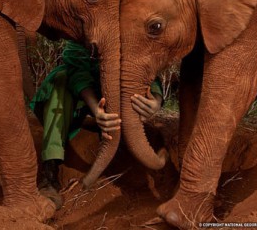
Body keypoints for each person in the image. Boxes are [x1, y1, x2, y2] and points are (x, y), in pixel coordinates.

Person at [29, 40, 163, 208]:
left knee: (129, 79)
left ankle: (125, 158)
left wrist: (156, 101)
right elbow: (76, 72)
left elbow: (145, 67)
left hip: (114, 94)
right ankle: (49, 173)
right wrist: (96, 110)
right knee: (61, 79)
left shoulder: (127, 26)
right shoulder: (81, 28)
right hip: (82, 96)